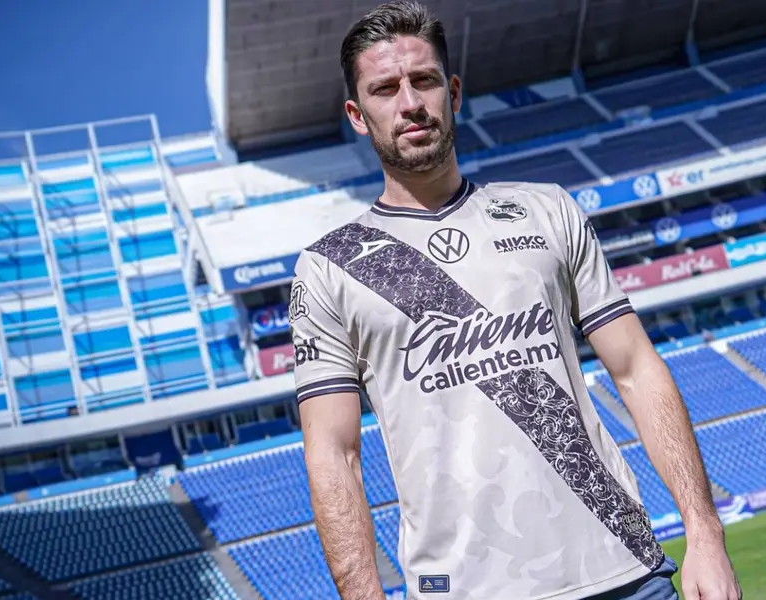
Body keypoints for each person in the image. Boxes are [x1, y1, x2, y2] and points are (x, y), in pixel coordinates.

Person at [290, 2, 742, 598]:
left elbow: (635, 369)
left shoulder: (546, 209)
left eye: (424, 80)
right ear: (357, 112)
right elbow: (333, 451)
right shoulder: (329, 268)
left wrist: (705, 533)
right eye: (385, 88)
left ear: (453, 92)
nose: (409, 102)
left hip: (623, 570)